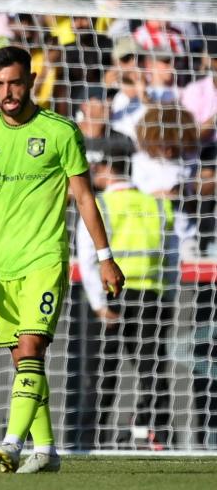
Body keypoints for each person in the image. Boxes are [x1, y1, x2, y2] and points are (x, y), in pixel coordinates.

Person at [0, 46, 124, 474]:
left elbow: (84, 197)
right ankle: (46, 450)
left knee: (30, 349)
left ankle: (11, 441)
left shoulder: (61, 131)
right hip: (0, 267)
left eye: (15, 83)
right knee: (24, 362)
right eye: (0, 84)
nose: (7, 92)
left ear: (31, 80)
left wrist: (105, 258)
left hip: (45, 259)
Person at [76, 146, 175, 449]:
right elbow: (171, 257)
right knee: (152, 369)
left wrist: (97, 303)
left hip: (114, 295)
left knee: (105, 371)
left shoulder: (101, 205)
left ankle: (96, 437)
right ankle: (153, 432)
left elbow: (87, 258)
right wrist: (167, 294)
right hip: (152, 296)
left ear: (106, 168)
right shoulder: (157, 206)